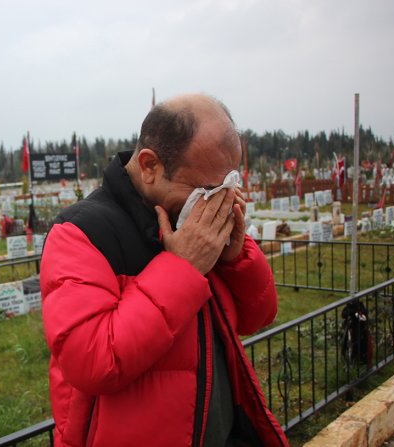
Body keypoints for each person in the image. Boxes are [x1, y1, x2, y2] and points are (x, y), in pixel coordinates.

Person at [40, 93, 288, 446]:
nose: (217, 202)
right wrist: (181, 269)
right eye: (204, 189)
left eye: (225, 187)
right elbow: (92, 362)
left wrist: (235, 260)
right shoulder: (82, 233)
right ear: (150, 166)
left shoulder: (191, 222)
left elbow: (258, 316)